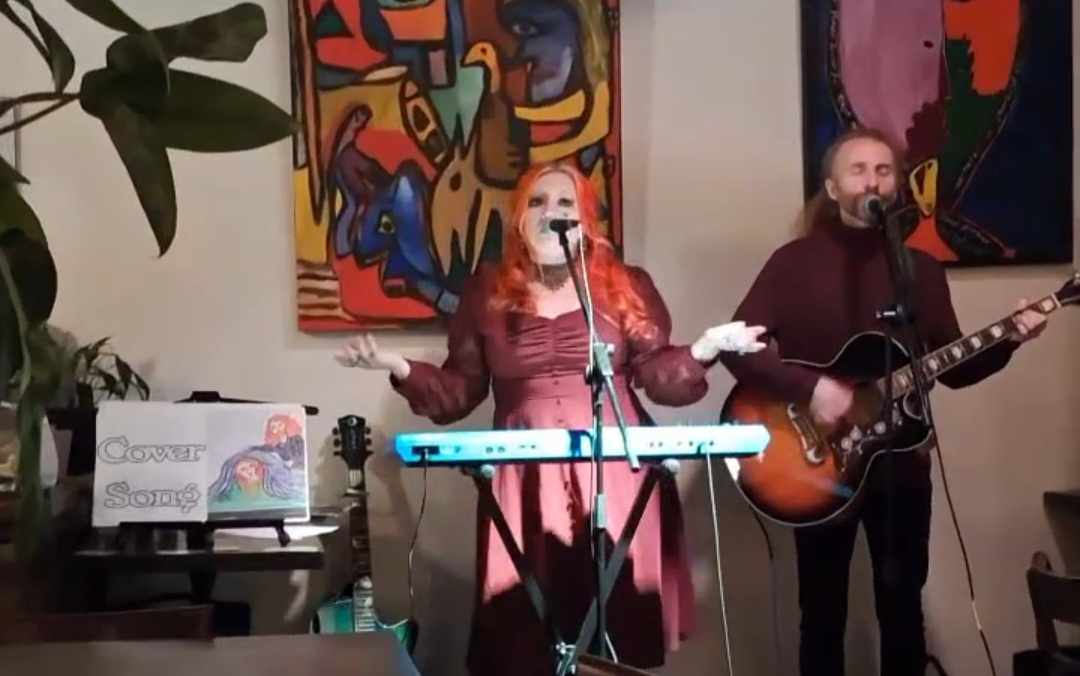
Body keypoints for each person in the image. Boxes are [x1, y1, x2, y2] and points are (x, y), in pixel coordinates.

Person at [337, 161, 766, 675]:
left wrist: (705, 348)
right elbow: (457, 392)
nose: (551, 213)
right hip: (525, 482)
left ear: (587, 218)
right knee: (527, 626)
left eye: (566, 203)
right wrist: (397, 366)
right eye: (537, 202)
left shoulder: (623, 286)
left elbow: (659, 377)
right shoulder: (488, 291)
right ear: (518, 217)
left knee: (613, 619)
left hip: (617, 476)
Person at [719, 127, 1048, 676]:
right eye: (857, 170)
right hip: (815, 465)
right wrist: (811, 390)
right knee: (821, 612)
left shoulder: (920, 270)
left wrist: (1011, 337)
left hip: (902, 468)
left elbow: (953, 368)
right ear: (831, 187)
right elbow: (735, 347)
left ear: (897, 184)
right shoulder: (793, 263)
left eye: (883, 170)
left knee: (902, 612)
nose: (872, 181)